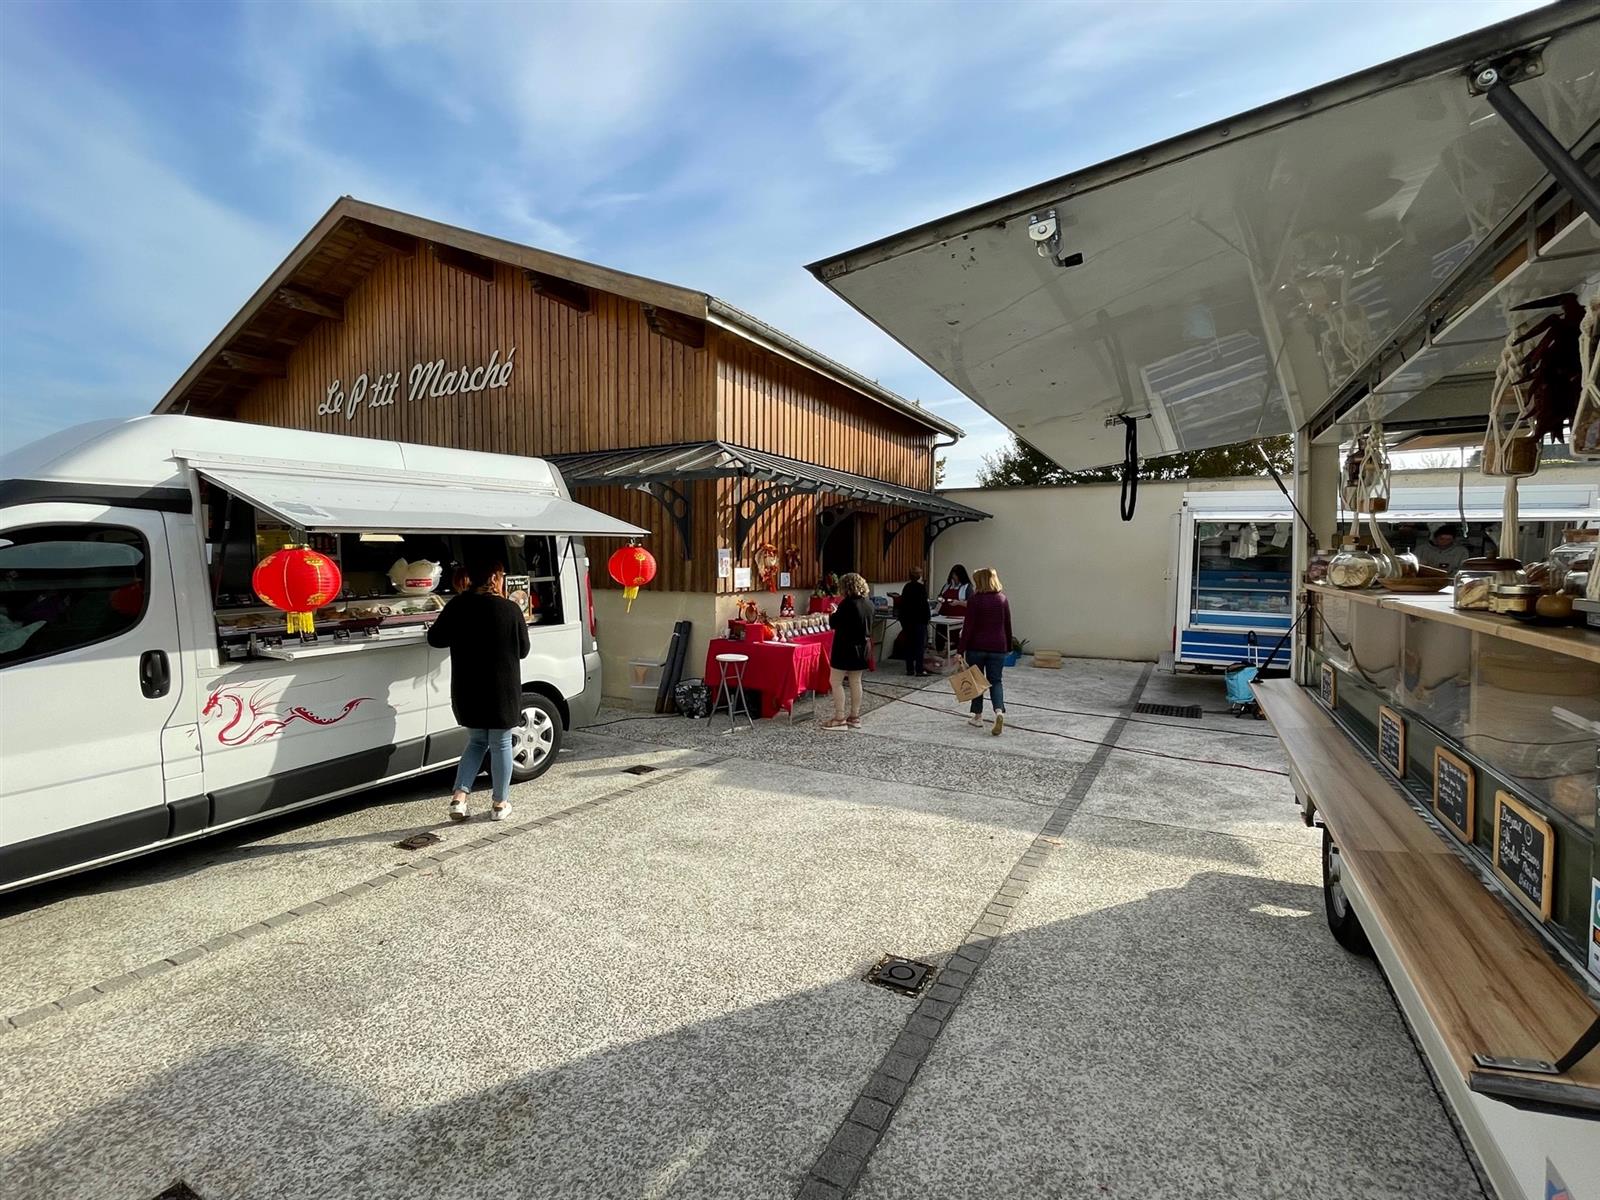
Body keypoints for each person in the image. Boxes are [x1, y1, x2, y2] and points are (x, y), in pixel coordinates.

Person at [427, 552, 530, 821]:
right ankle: (499, 803)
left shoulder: (457, 606)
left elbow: (435, 639)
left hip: (467, 688)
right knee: (501, 743)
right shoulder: (510, 609)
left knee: (475, 742)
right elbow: (524, 651)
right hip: (501, 690)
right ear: (495, 578)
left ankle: (459, 799)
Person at [955, 566, 1013, 736]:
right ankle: (999, 712)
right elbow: (1007, 625)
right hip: (998, 646)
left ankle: (978, 717)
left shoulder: (975, 600)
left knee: (977, 682)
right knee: (996, 681)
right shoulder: (1002, 599)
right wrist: (1008, 646)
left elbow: (968, 627)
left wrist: (960, 650)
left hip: (976, 647)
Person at [822, 572, 874, 732]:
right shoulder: (868, 604)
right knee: (856, 682)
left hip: (845, 647)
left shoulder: (847, 604)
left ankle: (839, 718)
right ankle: (855, 717)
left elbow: (835, 623)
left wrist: (833, 613)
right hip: (862, 646)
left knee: (836, 681)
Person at [897, 566, 931, 677]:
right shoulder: (921, 588)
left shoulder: (906, 587)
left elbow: (902, 605)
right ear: (919, 576)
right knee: (919, 646)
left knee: (909, 645)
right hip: (919, 620)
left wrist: (902, 620)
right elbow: (925, 605)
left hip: (907, 621)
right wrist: (927, 619)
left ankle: (909, 669)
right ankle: (919, 669)